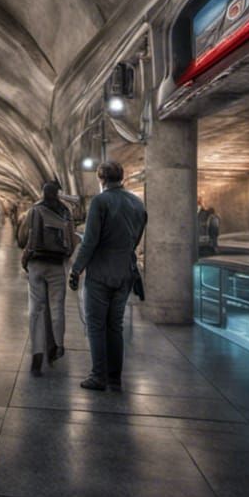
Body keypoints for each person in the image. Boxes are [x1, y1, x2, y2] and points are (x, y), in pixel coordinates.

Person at [70, 161, 147, 391]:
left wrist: (76, 269)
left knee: (95, 325)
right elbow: (137, 237)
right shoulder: (137, 203)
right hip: (125, 272)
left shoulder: (100, 202)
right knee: (115, 326)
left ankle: (98, 376)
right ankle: (115, 377)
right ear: (121, 177)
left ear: (101, 178)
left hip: (101, 273)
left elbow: (90, 241)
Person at [19, 182, 76, 375]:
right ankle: (58, 345)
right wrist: (65, 258)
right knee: (57, 306)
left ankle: (37, 355)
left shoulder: (36, 210)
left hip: (37, 264)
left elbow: (28, 239)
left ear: (43, 193)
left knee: (36, 309)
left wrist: (25, 259)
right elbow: (72, 240)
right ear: (58, 193)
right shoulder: (66, 211)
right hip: (57, 265)